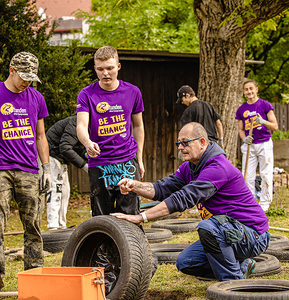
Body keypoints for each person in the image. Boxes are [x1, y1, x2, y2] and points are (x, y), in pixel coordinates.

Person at [111, 122, 270, 281]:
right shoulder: (190, 167)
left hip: (253, 235)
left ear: (202, 142)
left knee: (208, 228)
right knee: (186, 262)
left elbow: (183, 198)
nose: (180, 147)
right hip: (228, 231)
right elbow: (163, 188)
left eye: (185, 142)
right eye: (178, 143)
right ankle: (241, 268)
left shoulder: (218, 167)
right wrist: (135, 185)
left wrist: (141, 217)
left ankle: (232, 285)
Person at [0, 52, 52, 279]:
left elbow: (40, 135)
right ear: (11, 70)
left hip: (29, 170)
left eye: (32, 77)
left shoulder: (36, 98)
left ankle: (35, 277)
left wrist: (46, 167)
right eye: (23, 76)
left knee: (33, 227)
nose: (27, 81)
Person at [76, 46, 145, 216]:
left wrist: (140, 159)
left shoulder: (133, 91)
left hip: (127, 161)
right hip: (99, 163)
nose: (105, 73)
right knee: (101, 217)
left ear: (118, 67)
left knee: (130, 214)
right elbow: (81, 126)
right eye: (100, 69)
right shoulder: (86, 94)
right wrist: (87, 143)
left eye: (110, 68)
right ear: (95, 69)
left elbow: (138, 126)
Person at [236, 79, 278, 212]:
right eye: (246, 89)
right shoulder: (242, 109)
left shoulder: (264, 105)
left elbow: (275, 126)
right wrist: (244, 139)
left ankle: (265, 203)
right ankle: (250, 203)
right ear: (243, 92)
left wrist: (264, 121)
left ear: (256, 89)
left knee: (265, 173)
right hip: (250, 146)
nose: (249, 91)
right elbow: (241, 130)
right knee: (247, 174)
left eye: (251, 88)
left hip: (264, 143)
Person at [46, 115, 88, 230]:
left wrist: (86, 154)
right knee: (56, 188)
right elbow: (65, 147)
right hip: (52, 153)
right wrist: (84, 165)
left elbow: (77, 146)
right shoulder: (76, 122)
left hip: (61, 157)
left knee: (65, 191)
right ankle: (53, 224)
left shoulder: (88, 125)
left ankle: (61, 224)